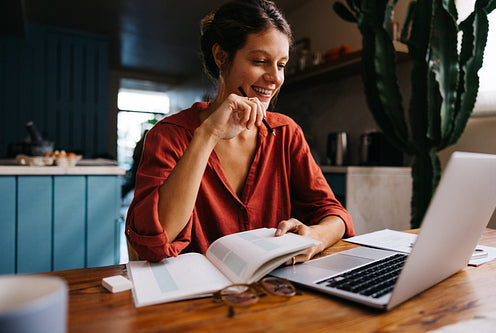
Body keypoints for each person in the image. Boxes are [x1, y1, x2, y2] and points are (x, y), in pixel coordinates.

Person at [125, 0, 355, 262]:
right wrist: (207, 134)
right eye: (260, 61)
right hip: (194, 299)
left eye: (281, 65)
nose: (275, 77)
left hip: (273, 292)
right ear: (221, 56)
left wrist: (315, 236)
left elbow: (334, 214)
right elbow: (156, 240)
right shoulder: (169, 135)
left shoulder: (286, 133)